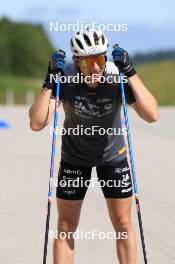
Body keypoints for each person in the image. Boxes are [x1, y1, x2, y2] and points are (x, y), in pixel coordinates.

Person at [29, 28, 159, 264]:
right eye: (88, 63)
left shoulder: (114, 77)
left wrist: (130, 72)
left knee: (123, 223)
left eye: (99, 59)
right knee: (66, 225)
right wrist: (49, 81)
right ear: (76, 61)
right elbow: (37, 123)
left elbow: (151, 115)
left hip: (113, 157)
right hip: (74, 158)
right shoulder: (66, 77)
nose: (95, 68)